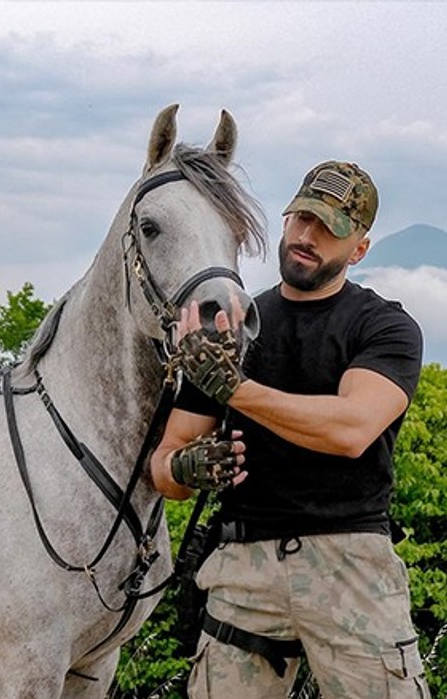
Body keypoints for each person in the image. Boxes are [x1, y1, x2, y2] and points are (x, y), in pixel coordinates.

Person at [150, 161, 428, 697]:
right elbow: (166, 465)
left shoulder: (384, 327)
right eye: (302, 218)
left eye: (328, 228)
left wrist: (235, 390)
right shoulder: (232, 328)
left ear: (359, 249)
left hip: (351, 563)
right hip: (242, 565)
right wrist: (183, 467)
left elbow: (351, 430)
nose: (307, 236)